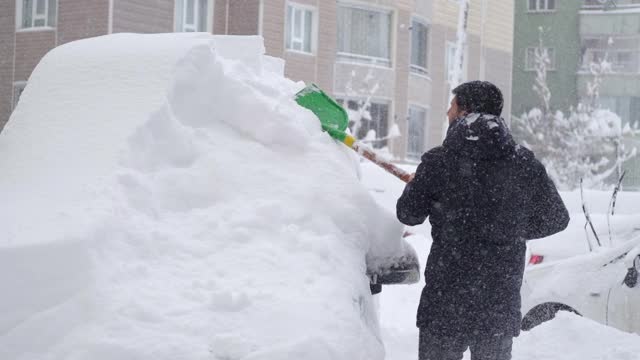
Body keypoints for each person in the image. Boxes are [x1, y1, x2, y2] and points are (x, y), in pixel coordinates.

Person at [396, 81, 569, 360]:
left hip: (445, 302)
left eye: (452, 106)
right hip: (497, 305)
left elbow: (408, 214)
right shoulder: (522, 163)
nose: (448, 112)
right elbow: (556, 218)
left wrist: (420, 186)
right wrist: (511, 229)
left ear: (465, 111)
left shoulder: (439, 161)